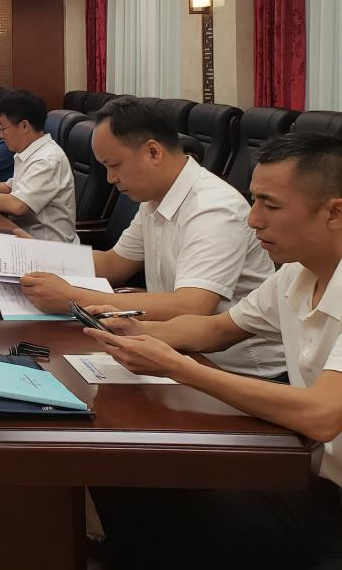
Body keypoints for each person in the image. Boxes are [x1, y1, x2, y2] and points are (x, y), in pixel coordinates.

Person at [84, 133, 342, 569]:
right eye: (254, 200)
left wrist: (179, 368)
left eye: (270, 205)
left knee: (172, 494)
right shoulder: (296, 273)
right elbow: (218, 329)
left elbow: (322, 414)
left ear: (334, 212)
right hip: (304, 468)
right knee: (127, 469)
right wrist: (139, 331)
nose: (254, 219)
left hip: (330, 501)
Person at [20, 97, 285, 378]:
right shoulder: (155, 198)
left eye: (115, 165)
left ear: (153, 152)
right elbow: (114, 264)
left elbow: (192, 306)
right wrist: (33, 257)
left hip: (237, 370)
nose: (110, 178)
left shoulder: (213, 208)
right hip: (175, 348)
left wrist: (73, 298)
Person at [0, 88, 77, 243]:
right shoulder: (27, 151)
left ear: (24, 126)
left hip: (46, 247)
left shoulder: (47, 159)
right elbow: (10, 187)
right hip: (21, 237)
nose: (0, 135)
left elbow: (17, 205)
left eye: (2, 128)